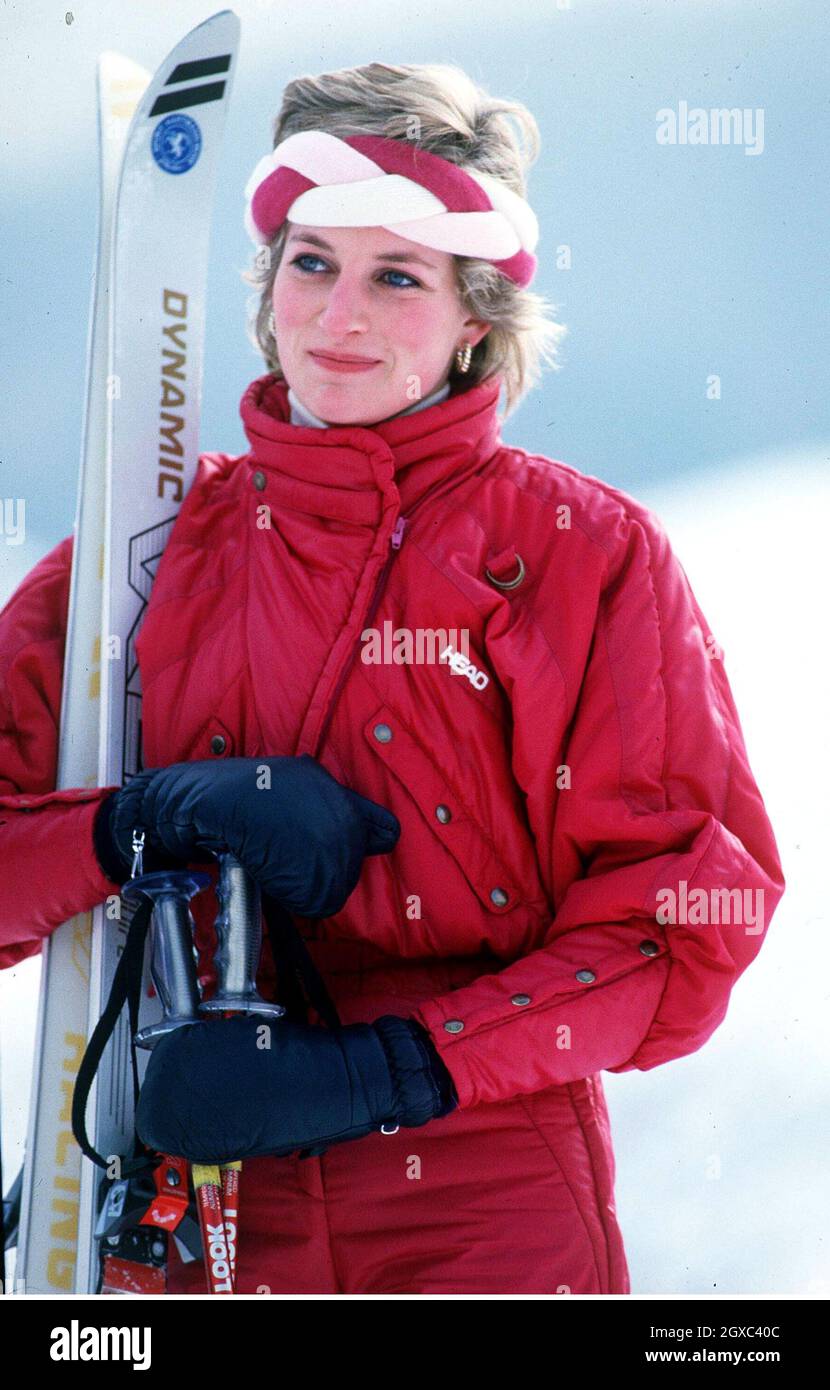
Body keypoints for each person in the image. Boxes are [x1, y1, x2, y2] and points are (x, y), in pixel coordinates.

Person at [0, 62, 785, 1296]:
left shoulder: (578, 555)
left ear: (475, 316)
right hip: (187, 1179)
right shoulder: (133, 557)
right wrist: (136, 823)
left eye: (396, 278)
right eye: (311, 263)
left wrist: (383, 1071)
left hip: (482, 1196)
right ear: (265, 288)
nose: (339, 316)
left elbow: (679, 921)